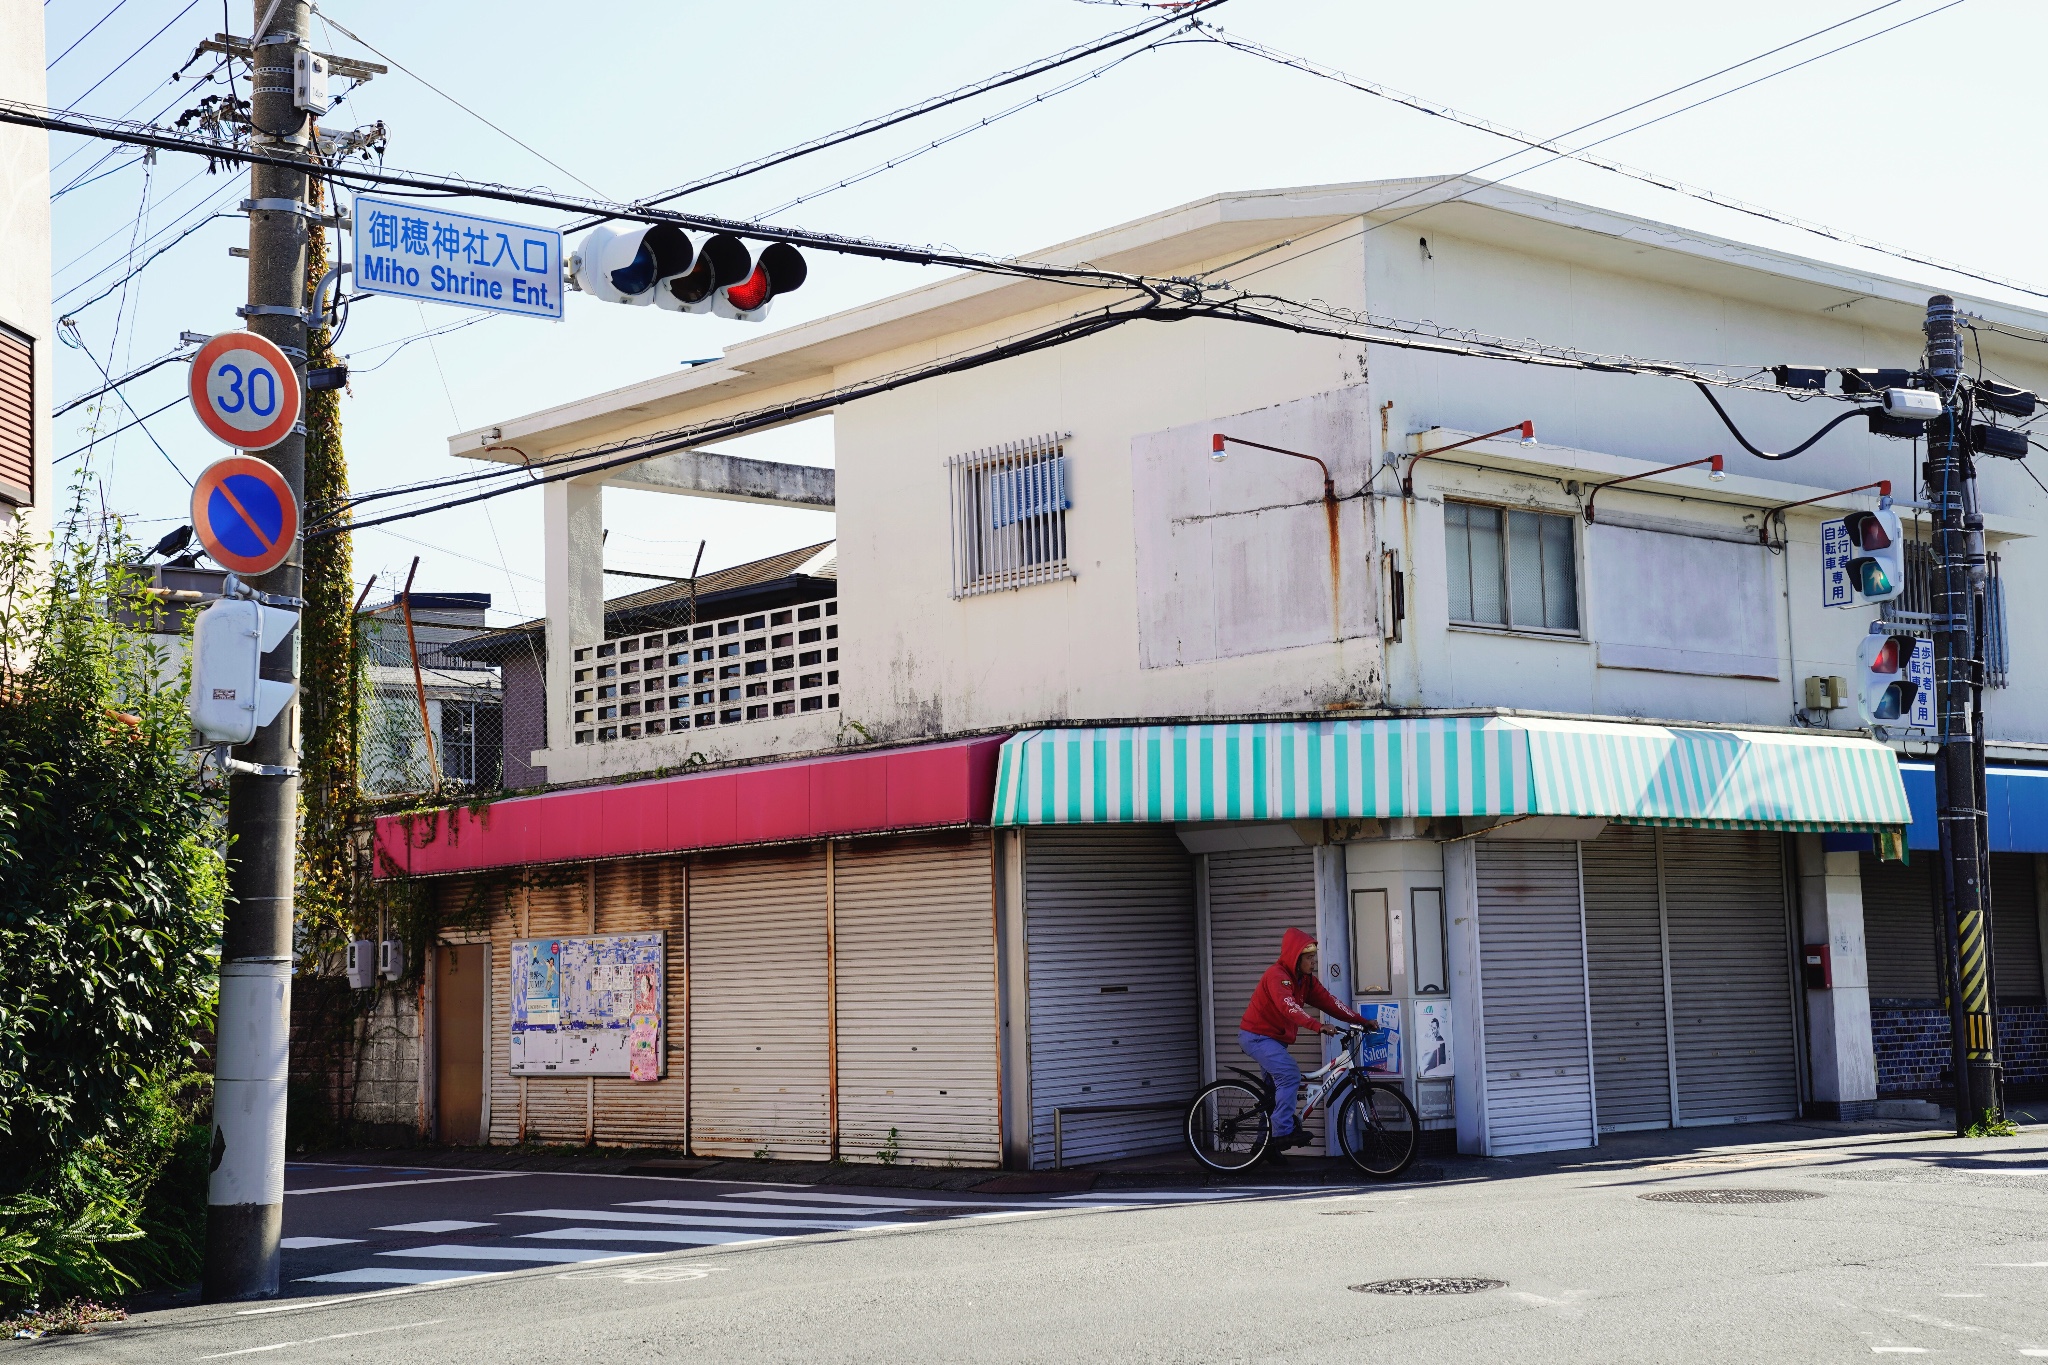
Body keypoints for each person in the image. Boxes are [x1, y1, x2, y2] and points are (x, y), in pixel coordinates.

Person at [1238, 927, 1369, 1151]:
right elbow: (1290, 1008)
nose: (1313, 962)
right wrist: (1317, 1026)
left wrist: (1361, 1020)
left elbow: (1329, 1002)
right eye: (1309, 958)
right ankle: (1282, 1132)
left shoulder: (1305, 980)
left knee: (1274, 1094)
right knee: (1289, 1075)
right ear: (1295, 958)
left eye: (1313, 957)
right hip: (1257, 1037)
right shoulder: (1277, 976)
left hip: (1274, 1041)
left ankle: (1263, 1148)